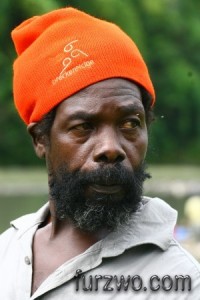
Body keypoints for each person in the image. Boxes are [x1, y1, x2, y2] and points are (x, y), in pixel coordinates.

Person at [0, 7, 199, 300]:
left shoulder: (178, 284)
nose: (111, 148)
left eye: (130, 124)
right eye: (84, 126)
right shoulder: (8, 251)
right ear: (41, 139)